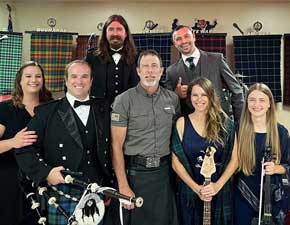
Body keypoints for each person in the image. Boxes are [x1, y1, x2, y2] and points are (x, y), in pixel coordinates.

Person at [15, 60, 111, 225]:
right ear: (65, 81)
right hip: (63, 190)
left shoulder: (104, 109)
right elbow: (24, 149)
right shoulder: (47, 112)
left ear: (91, 80)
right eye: (74, 76)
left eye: (84, 76)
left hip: (96, 189)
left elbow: (110, 149)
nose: (79, 81)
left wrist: (110, 184)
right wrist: (46, 172)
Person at [110, 50, 179, 225]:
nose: (150, 71)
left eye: (154, 66)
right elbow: (116, 146)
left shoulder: (172, 99)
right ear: (138, 71)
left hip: (164, 175)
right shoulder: (123, 100)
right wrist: (123, 185)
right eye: (145, 66)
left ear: (161, 71)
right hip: (135, 176)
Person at [171, 77, 238, 225]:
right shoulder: (182, 123)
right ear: (189, 98)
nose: (199, 99)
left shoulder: (225, 123)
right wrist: (197, 189)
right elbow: (175, 163)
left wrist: (216, 186)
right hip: (190, 193)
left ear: (211, 96)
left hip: (219, 192)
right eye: (195, 95)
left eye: (204, 95)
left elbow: (235, 160)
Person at [0, 61, 52, 225]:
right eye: (28, 76)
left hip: (41, 180)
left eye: (38, 76)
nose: (34, 80)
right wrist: (13, 142)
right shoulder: (5, 109)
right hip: (10, 182)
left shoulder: (50, 107)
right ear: (19, 81)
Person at [234, 83, 290, 225]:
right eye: (252, 100)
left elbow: (288, 165)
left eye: (262, 100)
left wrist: (277, 168)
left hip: (272, 198)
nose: (256, 104)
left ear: (270, 103)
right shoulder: (237, 130)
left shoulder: (281, 133)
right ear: (247, 103)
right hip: (242, 195)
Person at [165, 25, 244, 121]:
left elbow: (237, 91)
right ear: (174, 43)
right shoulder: (171, 71)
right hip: (189, 127)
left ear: (193, 36)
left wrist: (238, 124)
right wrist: (176, 94)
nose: (184, 41)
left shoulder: (216, 60)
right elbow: (167, 105)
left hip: (219, 122)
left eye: (186, 36)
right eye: (178, 39)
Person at [86, 14, 139, 108]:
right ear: (105, 33)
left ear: (126, 33)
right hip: (99, 113)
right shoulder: (92, 57)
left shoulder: (138, 57)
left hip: (130, 112)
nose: (115, 33)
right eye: (111, 29)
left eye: (119, 29)